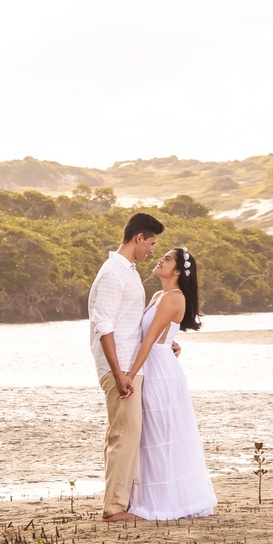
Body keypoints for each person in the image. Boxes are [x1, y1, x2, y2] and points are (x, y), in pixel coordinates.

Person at [121, 247, 217, 520]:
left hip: (159, 370)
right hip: (155, 361)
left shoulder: (174, 298)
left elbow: (150, 340)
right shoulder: (157, 295)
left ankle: (163, 503)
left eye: (167, 259)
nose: (160, 260)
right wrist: (170, 344)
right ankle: (149, 498)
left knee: (159, 434)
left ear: (177, 271)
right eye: (161, 255)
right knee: (150, 435)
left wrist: (128, 376)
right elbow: (152, 335)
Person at [87, 212, 164, 523]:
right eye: (152, 243)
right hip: (118, 366)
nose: (153, 250)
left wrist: (164, 342)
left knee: (124, 433)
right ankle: (114, 509)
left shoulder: (129, 271)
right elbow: (102, 324)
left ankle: (120, 503)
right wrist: (119, 373)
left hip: (130, 365)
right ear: (138, 238)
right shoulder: (112, 273)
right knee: (125, 434)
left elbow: (132, 321)